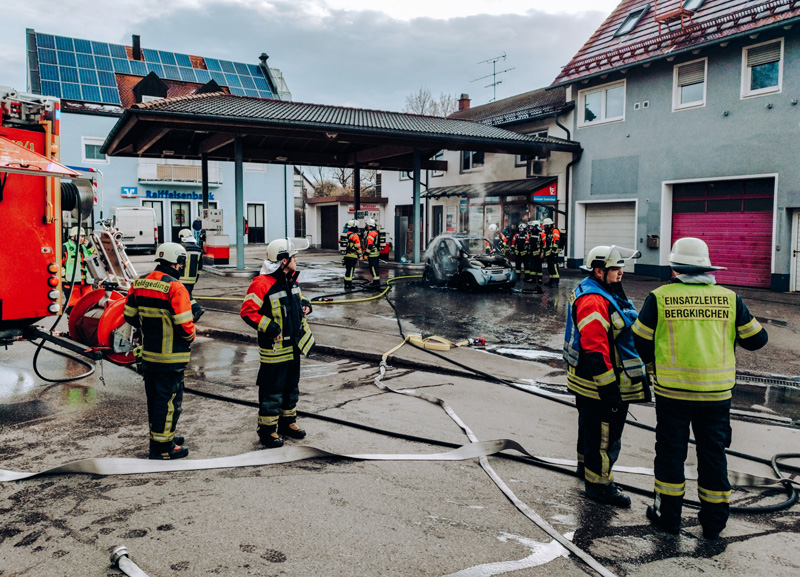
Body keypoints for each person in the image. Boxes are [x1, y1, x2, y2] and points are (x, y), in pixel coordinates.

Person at [632, 237, 768, 539]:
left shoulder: (660, 297)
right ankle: (714, 522)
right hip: (716, 395)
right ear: (707, 267)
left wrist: (654, 363)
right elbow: (758, 339)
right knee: (713, 455)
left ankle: (667, 516)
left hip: (672, 394)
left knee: (670, 454)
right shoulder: (729, 298)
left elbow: (640, 342)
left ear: (675, 267)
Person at [563, 245, 647, 507]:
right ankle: (599, 485)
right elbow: (596, 350)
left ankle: (585, 468)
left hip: (590, 383)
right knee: (604, 435)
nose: (621, 273)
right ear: (599, 271)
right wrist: (609, 389)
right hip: (600, 384)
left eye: (621, 268)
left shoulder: (602, 292)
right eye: (615, 269)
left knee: (590, 429)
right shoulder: (593, 300)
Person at [124, 242, 195, 460]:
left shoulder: (140, 282)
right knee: (170, 400)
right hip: (171, 356)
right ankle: (163, 447)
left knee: (155, 399)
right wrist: (190, 337)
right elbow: (185, 326)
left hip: (150, 355)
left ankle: (163, 436)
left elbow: (129, 315)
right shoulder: (175, 288)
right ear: (177, 263)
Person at [241, 239, 315, 448]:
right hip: (274, 350)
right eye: (293, 257)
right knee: (272, 391)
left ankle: (287, 423)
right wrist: (270, 327)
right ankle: (267, 431)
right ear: (284, 261)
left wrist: (306, 305)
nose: (296, 260)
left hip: (293, 347)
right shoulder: (261, 283)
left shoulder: (290, 279)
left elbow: (298, 299)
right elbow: (248, 312)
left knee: (291, 388)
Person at [178, 228, 205, 322]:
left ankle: (197, 309)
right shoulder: (198, 249)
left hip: (182, 278)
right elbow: (200, 266)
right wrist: (196, 277)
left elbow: (178, 263)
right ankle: (187, 313)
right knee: (187, 295)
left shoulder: (182, 248)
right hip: (192, 278)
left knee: (185, 296)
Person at [541, 218, 561, 286]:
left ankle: (555, 282)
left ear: (549, 225)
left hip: (553, 253)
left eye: (546, 226)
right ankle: (551, 281)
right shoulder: (548, 232)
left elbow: (557, 241)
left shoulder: (555, 231)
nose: (545, 227)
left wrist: (553, 251)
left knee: (554, 267)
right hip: (549, 253)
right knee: (550, 267)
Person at [362, 218, 381, 288]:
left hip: (372, 254)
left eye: (367, 225)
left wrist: (366, 254)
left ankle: (376, 283)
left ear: (369, 225)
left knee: (373, 268)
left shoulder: (371, 233)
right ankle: (376, 282)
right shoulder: (376, 232)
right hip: (375, 252)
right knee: (374, 267)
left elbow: (369, 245)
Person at [342, 219, 361, 290]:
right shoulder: (354, 235)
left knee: (348, 270)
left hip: (346, 255)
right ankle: (348, 285)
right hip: (352, 255)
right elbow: (358, 246)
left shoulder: (346, 234)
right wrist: (361, 255)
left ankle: (346, 283)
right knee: (351, 270)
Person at [528, 220, 544, 293]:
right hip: (532, 254)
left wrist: (541, 253)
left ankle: (539, 279)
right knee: (532, 266)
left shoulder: (540, 236)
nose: (531, 228)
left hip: (537, 254)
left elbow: (542, 245)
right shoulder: (531, 235)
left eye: (532, 227)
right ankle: (532, 278)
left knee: (538, 267)